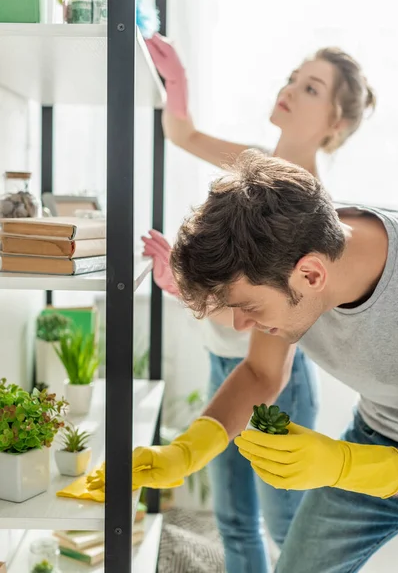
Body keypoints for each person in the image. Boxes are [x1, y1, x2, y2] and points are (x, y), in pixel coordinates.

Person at [141, 33, 375, 572]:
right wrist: (176, 85)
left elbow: (266, 320)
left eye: (311, 87)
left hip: (275, 369)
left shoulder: (314, 214)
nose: (290, 88)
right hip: (226, 358)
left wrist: (190, 292)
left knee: (283, 518)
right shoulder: (256, 165)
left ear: (335, 125)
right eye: (293, 76)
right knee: (234, 517)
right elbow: (183, 133)